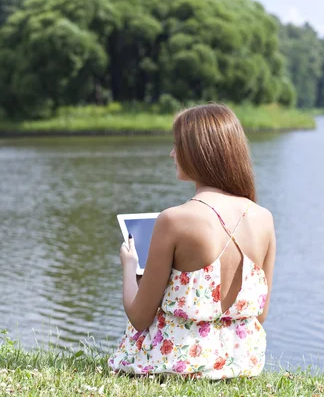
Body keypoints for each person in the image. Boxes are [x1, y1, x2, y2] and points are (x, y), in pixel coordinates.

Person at [108, 103, 276, 379]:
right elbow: (260, 315)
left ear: (199, 153)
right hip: (242, 362)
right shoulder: (264, 217)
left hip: (178, 363)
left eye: (178, 145)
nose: (171, 153)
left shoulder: (174, 220)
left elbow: (139, 318)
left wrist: (130, 266)